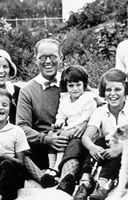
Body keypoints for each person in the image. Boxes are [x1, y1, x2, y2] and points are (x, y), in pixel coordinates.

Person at [16, 38, 89, 194]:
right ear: (35, 59)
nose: (48, 61)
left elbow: (96, 103)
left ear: (61, 57)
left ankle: (65, 181)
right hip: (43, 146)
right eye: (42, 57)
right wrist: (45, 139)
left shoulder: (72, 80)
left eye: (53, 56)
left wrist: (83, 124)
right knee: (17, 148)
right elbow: (22, 126)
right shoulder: (27, 90)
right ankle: (43, 178)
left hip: (69, 142)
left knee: (76, 144)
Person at [73, 68, 128, 200]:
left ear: (125, 91)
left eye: (117, 90)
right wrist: (92, 147)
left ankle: (103, 185)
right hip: (105, 155)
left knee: (118, 143)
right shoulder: (100, 111)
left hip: (124, 157)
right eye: (109, 90)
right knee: (101, 141)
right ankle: (85, 182)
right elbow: (86, 136)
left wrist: (119, 149)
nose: (112, 94)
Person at [40, 65, 97, 188]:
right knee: (52, 135)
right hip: (69, 128)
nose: (75, 89)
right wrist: (58, 123)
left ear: (84, 84)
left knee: (63, 136)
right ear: (66, 86)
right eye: (71, 85)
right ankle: (51, 167)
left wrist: (66, 130)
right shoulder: (65, 99)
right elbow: (61, 114)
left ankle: (56, 168)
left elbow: (86, 119)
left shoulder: (88, 99)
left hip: (82, 130)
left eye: (78, 85)